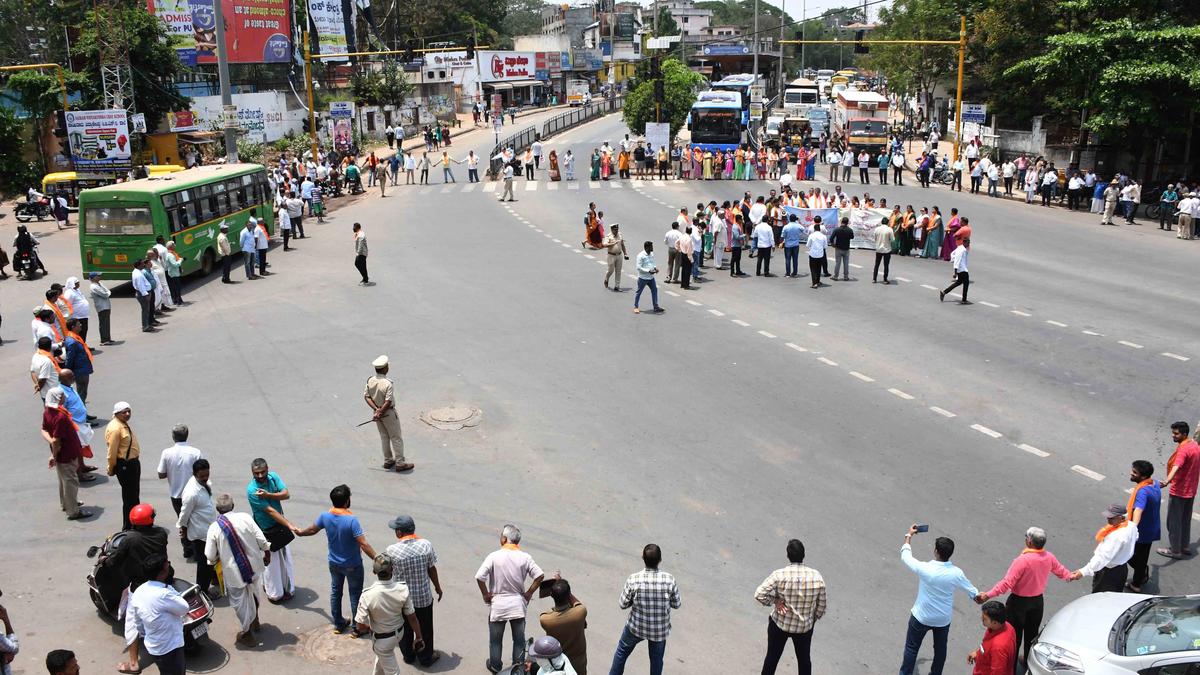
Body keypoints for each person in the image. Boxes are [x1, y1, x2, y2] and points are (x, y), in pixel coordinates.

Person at [974, 527, 1072, 667]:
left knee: (1014, 637)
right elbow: (1061, 571)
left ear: (1030, 542)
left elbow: (1007, 583)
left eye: (1026, 537)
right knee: (1032, 636)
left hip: (1018, 604)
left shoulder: (1022, 560)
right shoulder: (1049, 557)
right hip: (1037, 603)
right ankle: (1028, 663)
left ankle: (1011, 667)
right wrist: (1071, 576)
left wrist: (988, 595)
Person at [293, 484, 378, 635]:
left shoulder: (325, 516)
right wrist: (377, 558)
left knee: (336, 592)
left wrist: (300, 532)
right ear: (346, 501)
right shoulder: (352, 520)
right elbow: (363, 543)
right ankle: (357, 628)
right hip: (353, 565)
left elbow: (312, 529)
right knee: (355, 595)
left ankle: (338, 623)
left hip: (334, 563)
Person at [898, 525, 978, 675]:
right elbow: (974, 593)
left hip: (921, 617)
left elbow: (905, 556)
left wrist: (909, 535)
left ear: (936, 551)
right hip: (942, 620)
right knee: (940, 651)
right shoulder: (956, 573)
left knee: (911, 648)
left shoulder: (925, 568)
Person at [205, 493, 270, 646]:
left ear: (217, 509)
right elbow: (261, 539)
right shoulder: (246, 517)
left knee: (239, 602)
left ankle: (247, 634)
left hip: (234, 573)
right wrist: (267, 553)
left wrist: (215, 560)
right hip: (253, 567)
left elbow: (209, 554)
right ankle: (255, 621)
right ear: (233, 506)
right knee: (253, 592)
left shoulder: (214, 528)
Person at [755, 539, 825, 675]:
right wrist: (811, 619)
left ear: (788, 556)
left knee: (772, 659)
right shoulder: (817, 577)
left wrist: (775, 601)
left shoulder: (779, 575)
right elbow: (821, 606)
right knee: (804, 661)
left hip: (780, 625)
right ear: (803, 555)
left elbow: (759, 594)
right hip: (804, 628)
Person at [607, 544, 680, 675]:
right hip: (659, 631)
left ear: (643, 558)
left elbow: (623, 604)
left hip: (636, 628)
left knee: (621, 653)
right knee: (657, 660)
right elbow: (676, 604)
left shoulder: (634, 579)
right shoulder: (670, 580)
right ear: (660, 560)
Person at [384, 515, 442, 667]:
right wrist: (437, 587)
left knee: (404, 629)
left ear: (399, 532)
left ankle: (408, 656)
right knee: (426, 629)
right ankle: (426, 657)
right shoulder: (425, 545)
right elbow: (432, 569)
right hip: (423, 598)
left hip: (402, 599)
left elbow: (388, 574)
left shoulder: (392, 550)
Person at [355, 555, 425, 675]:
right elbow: (412, 617)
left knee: (393, 671)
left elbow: (359, 626)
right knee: (382, 659)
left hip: (382, 640)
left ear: (374, 571)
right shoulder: (402, 589)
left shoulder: (367, 595)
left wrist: (369, 628)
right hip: (398, 634)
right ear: (392, 569)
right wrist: (418, 637)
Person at [125, 556, 189, 675]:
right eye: (167, 564)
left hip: (154, 646)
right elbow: (184, 608)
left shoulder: (139, 591)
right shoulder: (164, 594)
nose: (169, 565)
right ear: (162, 573)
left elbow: (138, 622)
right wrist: (169, 588)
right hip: (171, 647)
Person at [248, 458, 295, 603]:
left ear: (267, 469)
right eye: (257, 473)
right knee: (271, 563)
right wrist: (290, 525)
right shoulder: (252, 490)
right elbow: (270, 511)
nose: (260, 476)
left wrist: (269, 495)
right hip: (266, 529)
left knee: (285, 558)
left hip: (280, 525)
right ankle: (274, 593)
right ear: (252, 473)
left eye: (262, 472)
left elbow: (286, 494)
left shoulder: (273, 478)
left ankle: (287, 588)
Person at [41, 387, 90, 520]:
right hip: (66, 454)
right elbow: (57, 440)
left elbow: (44, 430)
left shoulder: (48, 412)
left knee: (63, 480)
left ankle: (67, 503)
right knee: (70, 481)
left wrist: (52, 444)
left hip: (62, 453)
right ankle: (73, 511)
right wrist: (54, 455)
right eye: (62, 396)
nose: (65, 397)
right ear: (58, 398)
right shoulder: (60, 417)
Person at [157, 424, 203, 559]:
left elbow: (161, 474)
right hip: (194, 493)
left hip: (176, 495)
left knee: (182, 520)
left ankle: (187, 548)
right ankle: (196, 548)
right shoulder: (196, 452)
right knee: (195, 520)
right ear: (187, 435)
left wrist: (173, 472)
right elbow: (202, 472)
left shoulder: (166, 453)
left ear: (173, 437)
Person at [1071, 503, 1139, 592]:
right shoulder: (1131, 526)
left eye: (1111, 518)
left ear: (1121, 518)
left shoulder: (1116, 536)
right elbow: (1136, 536)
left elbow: (1103, 558)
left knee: (1099, 598)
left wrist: (1083, 572)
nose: (1108, 519)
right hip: (1121, 569)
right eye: (1108, 516)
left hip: (1108, 572)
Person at [1158, 421, 1199, 559]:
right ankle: (1185, 545)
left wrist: (1166, 481)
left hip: (1179, 491)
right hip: (1191, 490)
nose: (1173, 436)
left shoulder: (1183, 449)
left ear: (1184, 434)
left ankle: (1175, 550)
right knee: (1185, 519)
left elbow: (1176, 466)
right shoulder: (1195, 445)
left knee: (1174, 522)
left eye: (1176, 434)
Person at [176, 459, 217, 596]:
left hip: (210, 529)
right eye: (202, 476)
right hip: (201, 534)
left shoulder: (205, 484)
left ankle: (214, 579)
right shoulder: (191, 493)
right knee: (204, 564)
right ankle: (203, 592)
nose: (205, 478)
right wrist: (183, 528)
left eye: (207, 474)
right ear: (194, 474)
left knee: (212, 559)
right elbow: (184, 514)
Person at [364, 355, 412, 472]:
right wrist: (381, 411)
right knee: (396, 437)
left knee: (384, 437)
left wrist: (376, 410)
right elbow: (388, 401)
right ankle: (400, 463)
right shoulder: (387, 383)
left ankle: (388, 460)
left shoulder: (370, 380)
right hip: (388, 413)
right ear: (386, 369)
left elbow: (367, 396)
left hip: (377, 414)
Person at [1126, 460, 1161, 592]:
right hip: (1152, 529)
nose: (1131, 473)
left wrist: (1132, 527)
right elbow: (1161, 483)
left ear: (1143, 477)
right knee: (1142, 556)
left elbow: (1138, 510)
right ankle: (1137, 582)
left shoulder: (1142, 492)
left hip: (1142, 531)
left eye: (1135, 472)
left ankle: (1141, 573)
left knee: (1128, 554)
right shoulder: (1154, 483)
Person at [106, 401, 141, 530]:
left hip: (132, 464)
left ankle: (137, 521)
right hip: (126, 466)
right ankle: (128, 526)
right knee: (129, 499)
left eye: (129, 411)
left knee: (134, 496)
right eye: (124, 412)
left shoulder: (121, 424)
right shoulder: (116, 428)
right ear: (116, 413)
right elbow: (112, 451)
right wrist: (111, 468)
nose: (127, 414)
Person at [540, 579, 587, 674]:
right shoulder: (580, 612)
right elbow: (576, 603)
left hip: (559, 663)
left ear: (551, 595)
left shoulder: (546, 619)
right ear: (569, 594)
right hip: (578, 661)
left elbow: (550, 612)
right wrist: (560, 582)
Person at [967, 601, 1016, 675]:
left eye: (984, 618)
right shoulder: (1008, 626)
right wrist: (978, 653)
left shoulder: (998, 648)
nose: (981, 619)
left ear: (995, 622)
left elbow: (997, 672)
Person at [61, 320, 92, 402]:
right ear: (73, 327)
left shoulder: (75, 338)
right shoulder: (72, 342)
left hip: (82, 369)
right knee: (82, 393)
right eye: (78, 324)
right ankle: (81, 413)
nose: (81, 325)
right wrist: (67, 372)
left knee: (83, 392)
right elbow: (70, 358)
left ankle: (83, 412)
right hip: (80, 371)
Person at [633, 242, 663, 315]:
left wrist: (655, 268)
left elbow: (652, 263)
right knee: (639, 292)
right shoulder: (640, 256)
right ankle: (636, 307)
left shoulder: (651, 254)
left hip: (651, 278)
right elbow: (638, 268)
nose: (652, 248)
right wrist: (648, 271)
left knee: (655, 290)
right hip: (643, 278)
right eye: (651, 247)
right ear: (647, 247)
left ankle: (656, 306)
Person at [940, 237, 971, 305]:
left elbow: (952, 254)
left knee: (958, 282)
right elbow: (957, 260)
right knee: (966, 283)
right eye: (968, 243)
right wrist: (955, 271)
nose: (969, 244)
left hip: (961, 269)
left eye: (969, 242)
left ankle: (944, 292)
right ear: (964, 242)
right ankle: (964, 300)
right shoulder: (962, 250)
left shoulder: (960, 248)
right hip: (962, 270)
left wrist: (953, 260)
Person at [87, 272, 114, 344]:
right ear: (93, 278)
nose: (99, 277)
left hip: (106, 306)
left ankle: (107, 338)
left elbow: (107, 291)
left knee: (106, 323)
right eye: (97, 276)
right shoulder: (94, 287)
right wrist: (108, 293)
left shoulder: (99, 284)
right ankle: (104, 340)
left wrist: (108, 292)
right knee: (103, 323)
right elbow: (105, 294)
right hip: (102, 307)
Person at [603, 224, 628, 291]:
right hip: (611, 255)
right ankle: (606, 278)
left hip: (619, 255)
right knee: (611, 270)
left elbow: (622, 244)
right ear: (612, 230)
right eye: (615, 230)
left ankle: (617, 286)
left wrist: (625, 253)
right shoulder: (608, 236)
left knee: (618, 271)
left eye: (617, 229)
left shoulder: (620, 235)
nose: (616, 231)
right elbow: (604, 245)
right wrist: (613, 243)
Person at [872, 217, 894, 284]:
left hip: (878, 249)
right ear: (887, 222)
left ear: (881, 222)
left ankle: (874, 279)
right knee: (886, 265)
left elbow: (875, 238)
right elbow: (892, 239)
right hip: (887, 249)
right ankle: (885, 279)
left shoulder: (877, 229)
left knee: (877, 264)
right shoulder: (889, 229)